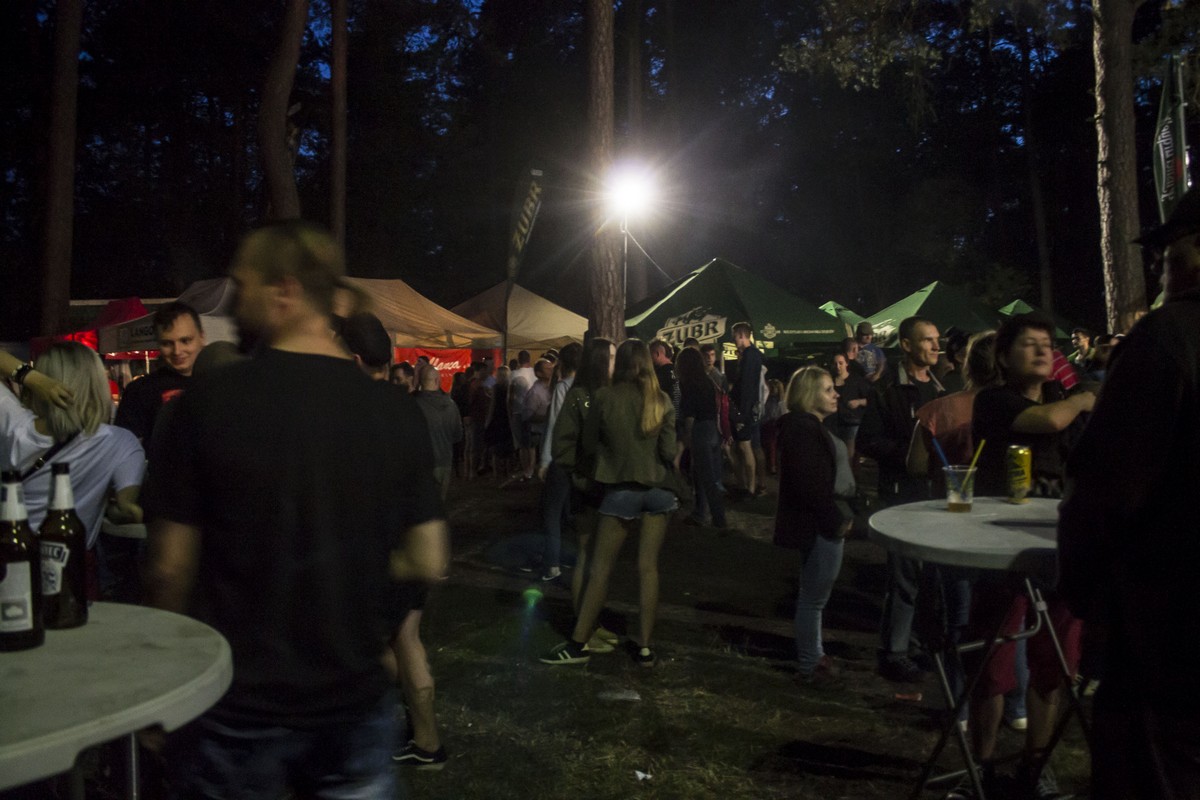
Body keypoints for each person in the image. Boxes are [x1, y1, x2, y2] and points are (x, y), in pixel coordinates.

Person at [144, 220, 449, 799]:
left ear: (283, 291)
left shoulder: (209, 403)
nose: (235, 304)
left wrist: (164, 686)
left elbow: (168, 569)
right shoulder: (392, 411)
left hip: (236, 706)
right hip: (353, 704)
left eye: (243, 287)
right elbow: (429, 559)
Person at [1059, 186, 1200, 800]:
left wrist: (1085, 594)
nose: (1161, 262)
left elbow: (1107, 490)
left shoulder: (1168, 337)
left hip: (1166, 623)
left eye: (1172, 247)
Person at [960, 313, 1094, 800]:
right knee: (992, 661)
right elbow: (1049, 422)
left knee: (1054, 662)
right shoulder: (995, 400)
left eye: (1047, 344)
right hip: (1002, 544)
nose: (1042, 351)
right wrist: (1083, 398)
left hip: (1057, 540)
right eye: (1029, 344)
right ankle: (980, 770)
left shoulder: (1062, 399)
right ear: (1002, 356)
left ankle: (1036, 770)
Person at [340, 311, 452, 773]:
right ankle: (427, 741)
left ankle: (379, 740)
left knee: (378, 646)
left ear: (352, 359)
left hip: (382, 547)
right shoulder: (406, 406)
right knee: (408, 639)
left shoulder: (354, 411)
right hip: (416, 536)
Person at [541, 339, 679, 667]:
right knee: (648, 568)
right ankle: (645, 648)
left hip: (621, 489)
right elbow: (669, 452)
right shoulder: (661, 399)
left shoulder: (606, 398)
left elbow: (590, 445)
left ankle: (578, 644)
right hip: (659, 490)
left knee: (600, 568)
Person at [858, 315, 944, 683]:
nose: (936, 347)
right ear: (906, 345)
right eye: (927, 340)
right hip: (902, 494)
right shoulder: (888, 389)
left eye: (937, 339)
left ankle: (920, 645)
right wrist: (911, 458)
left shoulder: (942, 387)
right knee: (905, 576)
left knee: (931, 577)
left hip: (937, 495)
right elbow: (868, 441)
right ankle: (894, 651)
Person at [0, 343, 144, 554]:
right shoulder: (120, 442)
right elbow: (126, 508)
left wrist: (31, 378)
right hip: (68, 564)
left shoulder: (13, 424)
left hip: (10, 556)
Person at [774, 366, 854, 683]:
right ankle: (810, 664)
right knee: (813, 598)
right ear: (809, 394)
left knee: (814, 596)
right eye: (828, 389)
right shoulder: (803, 430)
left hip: (823, 521)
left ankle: (814, 657)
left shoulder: (807, 428)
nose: (836, 394)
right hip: (822, 525)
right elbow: (810, 485)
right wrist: (835, 521)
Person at [548, 337, 618, 652]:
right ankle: (582, 627)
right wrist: (580, 477)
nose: (616, 363)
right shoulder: (578, 395)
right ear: (599, 361)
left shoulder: (609, 394)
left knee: (600, 561)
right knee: (587, 556)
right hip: (587, 487)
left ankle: (592, 621)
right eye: (612, 357)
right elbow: (562, 444)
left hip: (606, 486)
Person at [114, 301, 205, 443]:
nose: (177, 351)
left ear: (202, 338)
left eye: (185, 340)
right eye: (167, 343)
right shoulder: (140, 391)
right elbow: (125, 447)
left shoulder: (222, 384)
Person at [536, 342, 582, 582]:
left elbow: (553, 425)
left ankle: (552, 563)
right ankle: (576, 558)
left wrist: (545, 461)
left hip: (562, 457)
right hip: (583, 459)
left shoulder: (564, 388)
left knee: (552, 512)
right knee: (575, 512)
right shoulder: (589, 389)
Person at [676, 346, 727, 530]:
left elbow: (690, 414)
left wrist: (686, 439)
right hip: (713, 429)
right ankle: (699, 513)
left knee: (707, 479)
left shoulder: (689, 384)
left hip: (700, 431)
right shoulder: (707, 381)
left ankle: (719, 521)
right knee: (702, 475)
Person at [730, 322, 765, 497]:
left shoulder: (750, 356)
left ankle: (750, 487)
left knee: (745, 446)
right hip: (749, 408)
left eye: (735, 337)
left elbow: (746, 387)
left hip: (745, 410)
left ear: (742, 335)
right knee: (747, 446)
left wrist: (741, 415)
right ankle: (750, 485)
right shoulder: (752, 355)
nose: (734, 341)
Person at [828, 351, 871, 468]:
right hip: (833, 422)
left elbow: (871, 399)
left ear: (846, 364)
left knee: (848, 455)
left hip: (851, 422)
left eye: (840, 363)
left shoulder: (856, 380)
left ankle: (849, 475)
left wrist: (859, 402)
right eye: (835, 364)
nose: (838, 366)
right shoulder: (829, 381)